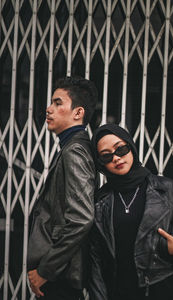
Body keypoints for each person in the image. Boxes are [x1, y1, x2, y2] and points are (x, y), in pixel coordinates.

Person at [88, 123, 173, 300]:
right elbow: (95, 258)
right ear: (100, 164)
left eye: (121, 149)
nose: (116, 158)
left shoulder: (165, 188)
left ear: (131, 147)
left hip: (164, 288)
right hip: (119, 291)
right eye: (106, 156)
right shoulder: (100, 199)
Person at [27, 76, 98, 299]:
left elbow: (81, 218)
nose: (49, 109)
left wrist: (46, 270)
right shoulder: (72, 147)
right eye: (51, 103)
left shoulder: (74, 151)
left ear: (78, 113)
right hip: (61, 274)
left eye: (58, 103)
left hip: (60, 276)